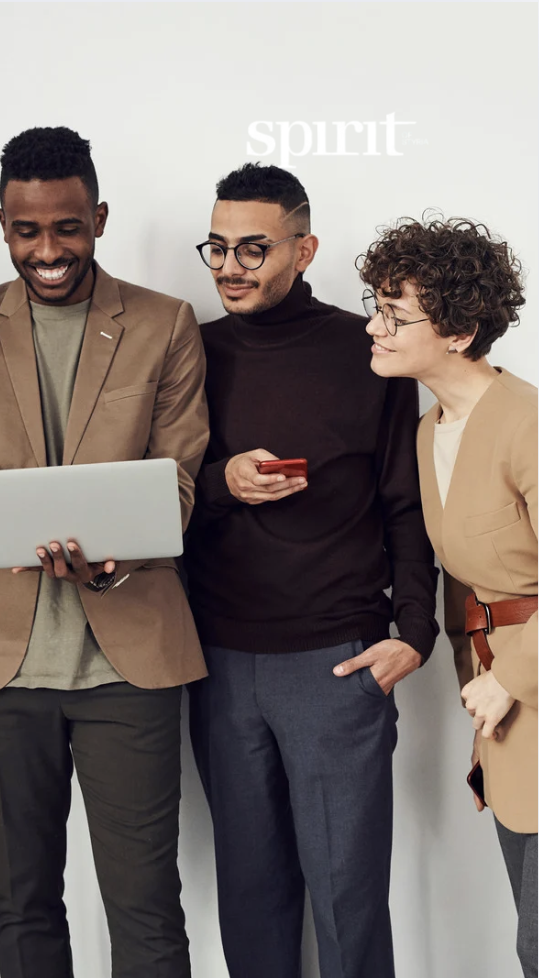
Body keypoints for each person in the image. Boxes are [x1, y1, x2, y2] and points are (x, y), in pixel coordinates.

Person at [0, 126, 209, 978]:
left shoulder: (164, 322)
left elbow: (182, 478)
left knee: (146, 905)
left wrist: (117, 553)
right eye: (26, 230)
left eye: (67, 228)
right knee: (24, 901)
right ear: (2, 223)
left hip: (130, 660)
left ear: (99, 217)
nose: (47, 250)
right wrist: (6, 515)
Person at [184, 163, 439, 978]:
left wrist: (415, 632)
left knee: (348, 901)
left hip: (337, 661)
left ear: (304, 249)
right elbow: (154, 493)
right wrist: (223, 483)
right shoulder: (188, 351)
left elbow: (406, 502)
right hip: (217, 660)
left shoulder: (363, 352)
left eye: (253, 249)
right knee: (251, 903)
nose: (230, 266)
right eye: (217, 247)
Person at [359, 216, 535, 976]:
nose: (374, 325)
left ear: (460, 331)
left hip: (519, 685)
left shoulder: (528, 422)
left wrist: (509, 679)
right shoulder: (432, 428)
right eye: (377, 305)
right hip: (503, 708)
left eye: (395, 314)